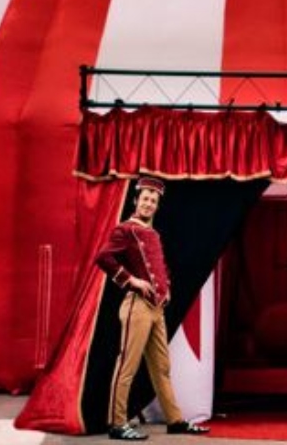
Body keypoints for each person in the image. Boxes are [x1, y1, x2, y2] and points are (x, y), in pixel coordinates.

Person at [94, 176, 209, 441]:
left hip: (157, 309)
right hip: (137, 306)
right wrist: (131, 280)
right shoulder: (125, 229)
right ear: (136, 201)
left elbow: (160, 266)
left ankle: (175, 420)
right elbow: (103, 257)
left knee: (162, 368)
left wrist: (166, 287)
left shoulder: (154, 233)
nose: (148, 204)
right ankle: (117, 423)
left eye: (153, 201)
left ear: (157, 205)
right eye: (145, 199)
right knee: (127, 366)